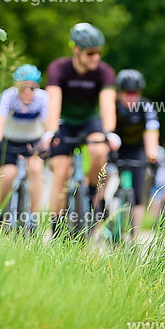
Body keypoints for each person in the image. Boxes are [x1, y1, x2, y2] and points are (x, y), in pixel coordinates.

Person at [42, 23, 120, 231]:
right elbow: (53, 102)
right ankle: (56, 224)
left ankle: (93, 191)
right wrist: (50, 131)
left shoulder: (104, 72)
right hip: (64, 122)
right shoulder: (58, 68)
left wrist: (109, 133)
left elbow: (107, 105)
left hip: (89, 121)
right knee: (60, 170)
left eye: (98, 53)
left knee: (99, 150)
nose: (96, 58)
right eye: (90, 53)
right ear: (76, 50)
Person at [0, 64, 49, 217]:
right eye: (23, 87)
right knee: (7, 174)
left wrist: (49, 139)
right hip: (10, 141)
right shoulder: (8, 96)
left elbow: (47, 124)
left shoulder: (43, 97)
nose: (28, 92)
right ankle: (1, 213)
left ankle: (34, 215)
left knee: (36, 170)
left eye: (32, 88)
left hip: (33, 141)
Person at [112, 69, 161, 237]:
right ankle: (99, 216)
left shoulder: (145, 106)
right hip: (116, 147)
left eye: (135, 92)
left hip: (137, 149)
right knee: (103, 180)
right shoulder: (112, 105)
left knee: (138, 193)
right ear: (119, 92)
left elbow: (151, 131)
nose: (131, 96)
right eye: (127, 92)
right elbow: (106, 130)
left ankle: (134, 238)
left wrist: (152, 156)